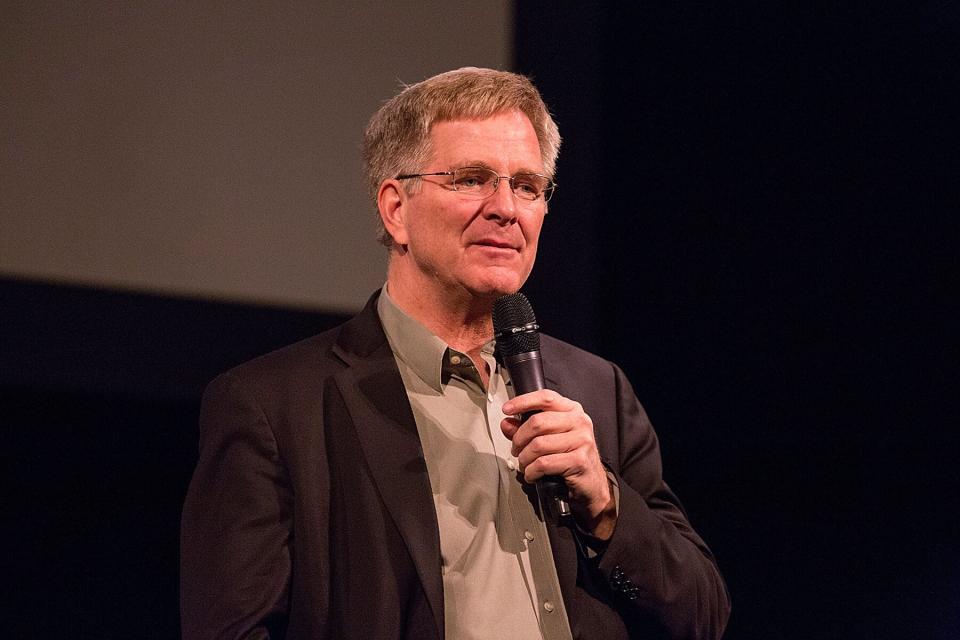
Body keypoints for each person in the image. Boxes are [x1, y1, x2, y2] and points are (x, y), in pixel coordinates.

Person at [181, 67, 730, 640]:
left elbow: (703, 615)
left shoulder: (597, 391)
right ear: (396, 209)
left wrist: (606, 502)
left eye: (527, 186)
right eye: (472, 179)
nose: (505, 208)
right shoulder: (273, 407)